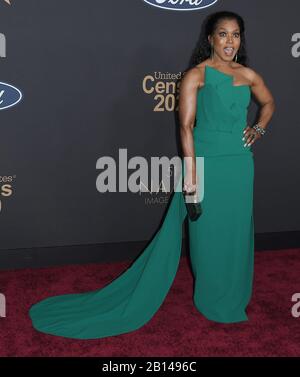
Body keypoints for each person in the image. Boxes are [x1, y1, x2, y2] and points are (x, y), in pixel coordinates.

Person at [29, 11, 275, 339]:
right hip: (207, 164)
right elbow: (185, 126)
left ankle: (234, 297)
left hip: (240, 165)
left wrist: (258, 127)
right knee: (209, 235)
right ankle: (212, 298)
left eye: (235, 35)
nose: (230, 41)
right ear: (210, 39)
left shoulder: (248, 74)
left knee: (236, 231)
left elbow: (269, 102)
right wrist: (191, 171)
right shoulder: (196, 76)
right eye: (223, 34)